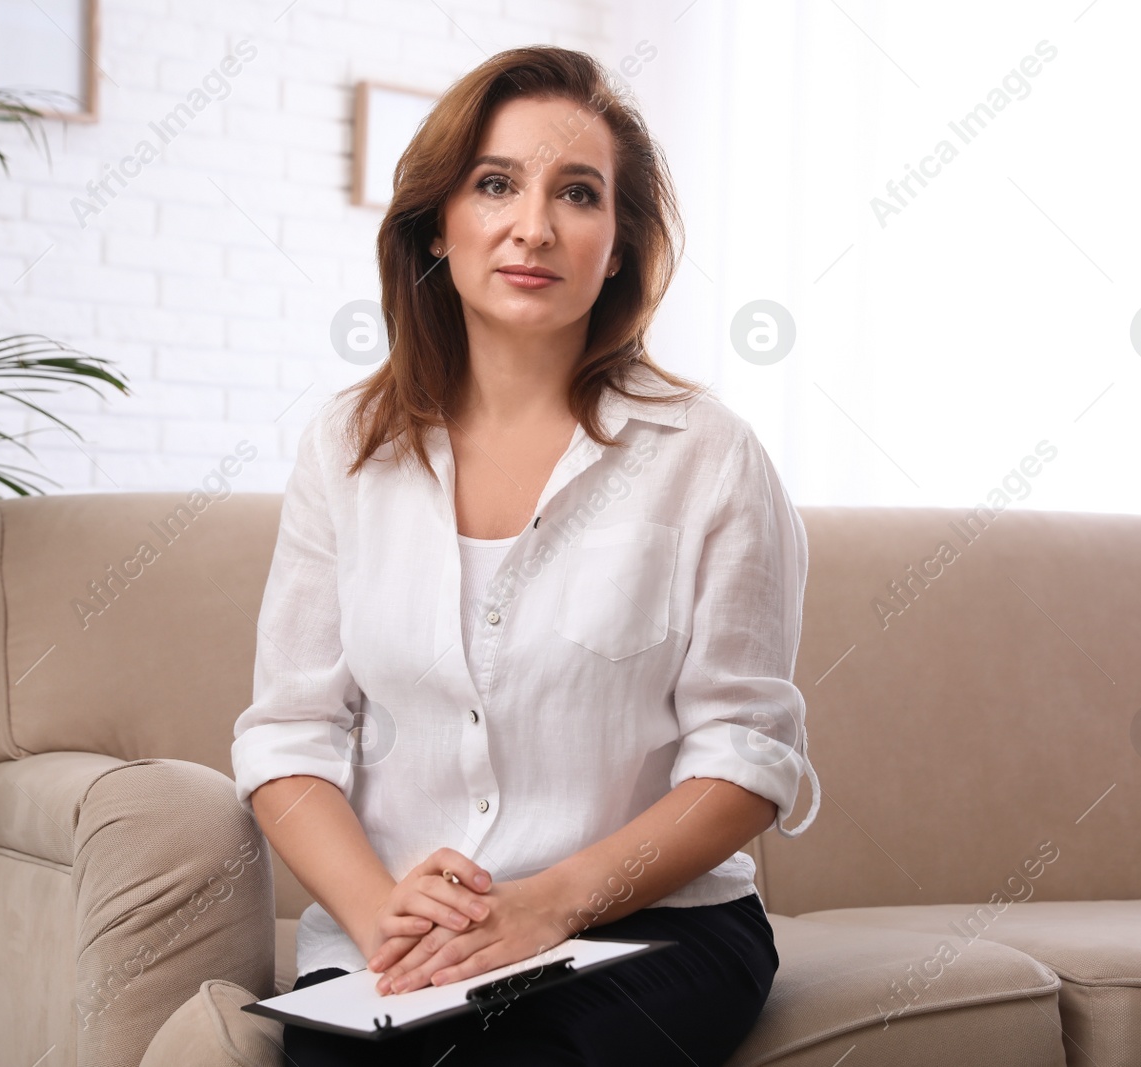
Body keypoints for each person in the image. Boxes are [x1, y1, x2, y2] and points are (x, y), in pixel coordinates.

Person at [230, 44, 821, 1067]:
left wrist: (547, 905)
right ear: (435, 224)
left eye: (577, 193)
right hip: (401, 938)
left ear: (622, 246)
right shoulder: (345, 447)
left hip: (654, 928)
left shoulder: (708, 455)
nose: (532, 225)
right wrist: (380, 916)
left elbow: (746, 758)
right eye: (495, 183)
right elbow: (290, 735)